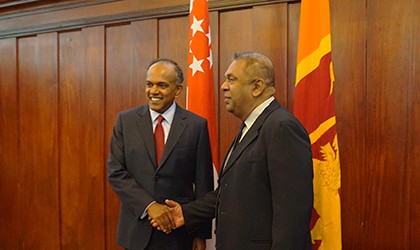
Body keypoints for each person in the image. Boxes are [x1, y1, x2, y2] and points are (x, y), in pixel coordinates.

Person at [151, 52, 314, 250]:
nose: (223, 86)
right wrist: (186, 213)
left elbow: (292, 214)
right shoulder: (251, 127)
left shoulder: (281, 127)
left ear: (257, 87)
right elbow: (231, 191)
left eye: (231, 79)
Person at [107, 58, 214, 250]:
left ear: (178, 90)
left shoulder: (196, 125)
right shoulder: (126, 121)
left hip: (179, 234)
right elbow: (116, 172)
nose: (153, 91)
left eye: (162, 85)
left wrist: (200, 233)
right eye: (149, 84)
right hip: (136, 232)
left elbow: (203, 184)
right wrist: (149, 206)